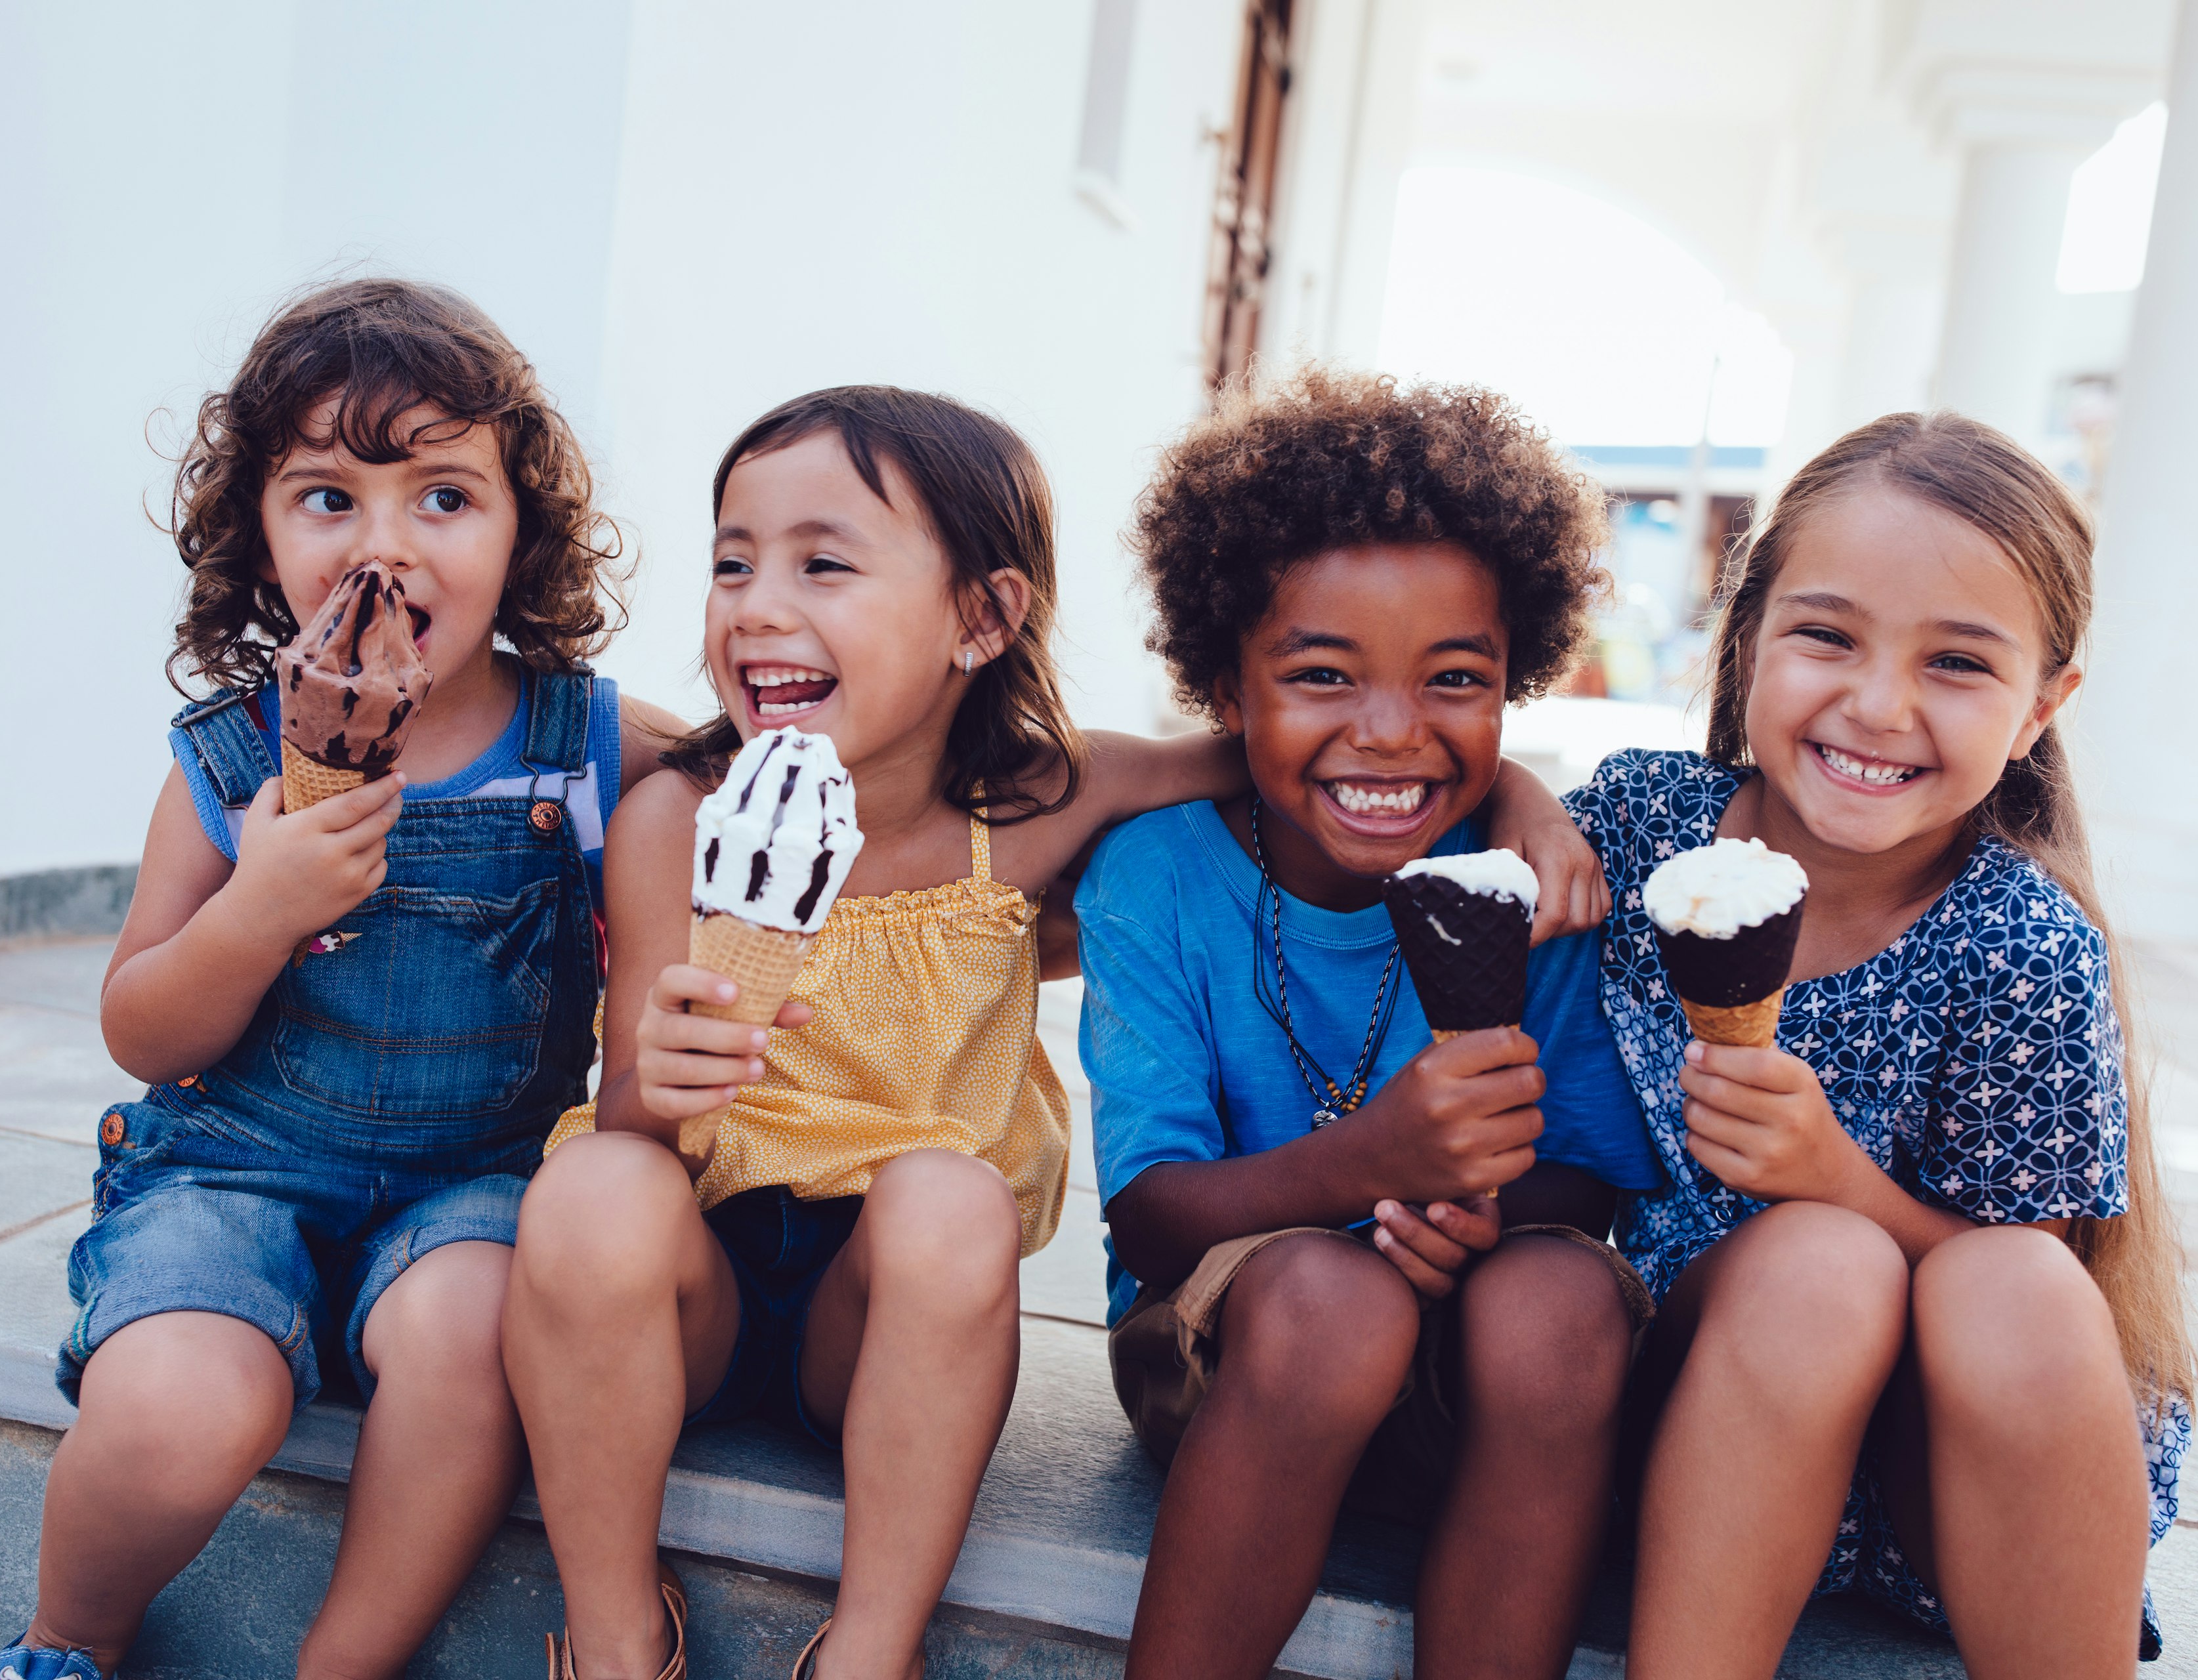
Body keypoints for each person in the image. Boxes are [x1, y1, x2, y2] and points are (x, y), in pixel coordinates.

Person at [505, 384, 1600, 1680]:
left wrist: (1523, 791)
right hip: (689, 1291)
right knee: (592, 1182)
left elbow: (1286, 743)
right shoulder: (676, 821)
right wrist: (654, 1088)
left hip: (886, 1313)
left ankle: (869, 1649)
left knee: (954, 1201)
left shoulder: (1037, 805)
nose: (757, 601)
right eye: (732, 561)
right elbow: (635, 1106)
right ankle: (615, 1627)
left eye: (823, 563)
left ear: (984, 616)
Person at [0, 279, 681, 1680]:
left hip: (470, 1191)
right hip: (228, 1175)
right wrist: (260, 908)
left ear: (519, 527)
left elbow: (773, 771)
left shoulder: (587, 743)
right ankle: (69, 1638)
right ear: (259, 531)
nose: (385, 543)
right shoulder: (230, 756)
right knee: (184, 1400)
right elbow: (142, 1024)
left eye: (441, 496)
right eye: (326, 496)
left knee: (479, 1321)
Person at [1571, 412, 2194, 1677]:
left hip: (1932, 1481)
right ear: (1745, 642)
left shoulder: (2021, 945)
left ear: (2040, 710)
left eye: (1958, 664)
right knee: (1814, 1270)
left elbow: (2044, 1298)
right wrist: (1526, 807)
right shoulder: (1641, 827)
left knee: (1994, 1278)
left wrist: (1839, 1182)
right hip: (1677, 1409)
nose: (1878, 704)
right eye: (1827, 634)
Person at [1081, 368, 1668, 1680]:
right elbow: (1149, 1215)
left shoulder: (1543, 887)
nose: (1393, 731)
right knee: (1331, 1301)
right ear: (1227, 687)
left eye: (1455, 677)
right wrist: (1366, 1168)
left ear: (1518, 682)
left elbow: (1584, 1176)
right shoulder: (1159, 877)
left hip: (1467, 1371)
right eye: (1324, 673)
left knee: (1572, 1296)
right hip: (1236, 1356)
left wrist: (1474, 1219)